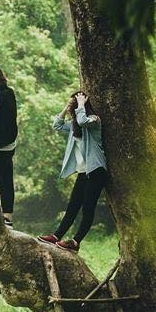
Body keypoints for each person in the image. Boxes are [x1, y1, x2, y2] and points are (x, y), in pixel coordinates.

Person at [37, 91, 108, 252]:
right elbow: (57, 125)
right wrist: (65, 107)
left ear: (81, 106)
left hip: (96, 170)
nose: (71, 109)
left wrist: (81, 103)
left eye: (72, 105)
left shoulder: (94, 120)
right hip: (84, 172)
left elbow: (83, 120)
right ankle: (57, 236)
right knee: (72, 205)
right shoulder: (74, 127)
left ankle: (75, 242)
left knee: (87, 208)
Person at [0, 66, 18, 228]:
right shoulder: (8, 93)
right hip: (8, 145)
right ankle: (7, 217)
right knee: (6, 181)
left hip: (1, 146)